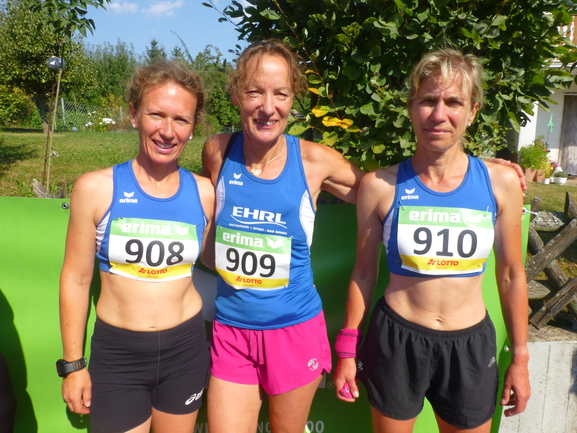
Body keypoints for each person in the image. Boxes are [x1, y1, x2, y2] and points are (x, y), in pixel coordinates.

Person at [333, 49, 531, 433]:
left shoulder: (501, 182)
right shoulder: (379, 186)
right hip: (397, 341)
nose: (439, 114)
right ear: (410, 108)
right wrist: (346, 350)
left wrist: (520, 359)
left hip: (470, 347)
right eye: (427, 100)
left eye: (453, 102)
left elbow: (511, 275)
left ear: (472, 111)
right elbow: (363, 274)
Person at [200, 39, 365, 433]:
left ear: (293, 99)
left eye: (281, 94)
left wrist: (466, 170)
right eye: (255, 92)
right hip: (232, 331)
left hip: (294, 330)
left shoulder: (314, 161)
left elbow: (382, 194)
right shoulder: (217, 151)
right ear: (237, 95)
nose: (268, 107)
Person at [58, 61, 215, 433]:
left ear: (193, 127)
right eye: (156, 114)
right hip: (118, 356)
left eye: (181, 119)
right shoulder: (95, 189)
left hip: (186, 350)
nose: (167, 131)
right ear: (133, 114)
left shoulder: (205, 193)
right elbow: (76, 280)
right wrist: (73, 365)